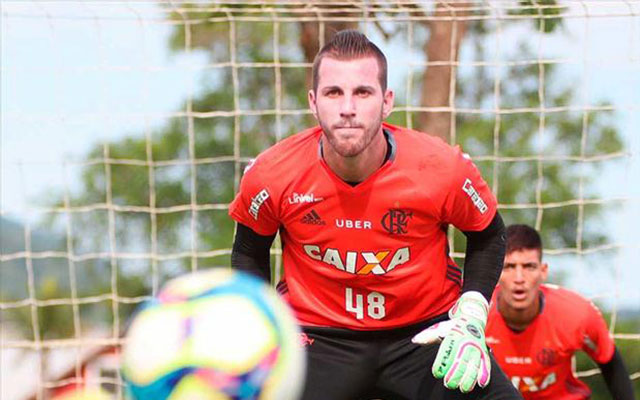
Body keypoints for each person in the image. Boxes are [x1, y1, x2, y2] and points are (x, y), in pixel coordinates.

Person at [229, 30, 521, 400]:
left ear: (386, 102)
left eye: (362, 93)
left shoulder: (440, 167)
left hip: (425, 335)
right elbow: (248, 251)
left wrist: (473, 313)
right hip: (317, 337)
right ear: (313, 102)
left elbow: (487, 234)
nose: (347, 107)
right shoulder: (273, 173)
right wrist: (260, 327)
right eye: (334, 93)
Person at [485, 224, 635, 399]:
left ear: (543, 271)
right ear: (495, 271)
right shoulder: (475, 314)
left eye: (529, 267)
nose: (519, 278)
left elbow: (611, 363)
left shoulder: (576, 314)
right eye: (509, 267)